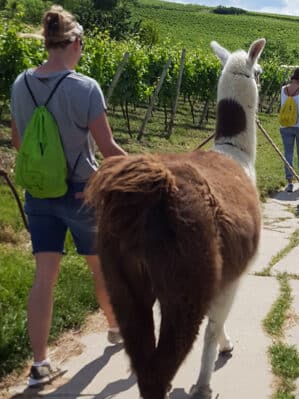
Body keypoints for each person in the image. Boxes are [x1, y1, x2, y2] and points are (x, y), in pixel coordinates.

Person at [10, 5, 127, 388]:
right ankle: (114, 328)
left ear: (47, 43)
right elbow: (108, 148)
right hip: (81, 193)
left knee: (44, 277)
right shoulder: (85, 87)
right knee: (100, 266)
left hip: (39, 195)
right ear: (75, 43)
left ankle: (39, 364)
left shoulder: (19, 84)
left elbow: (18, 141)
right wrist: (148, 167)